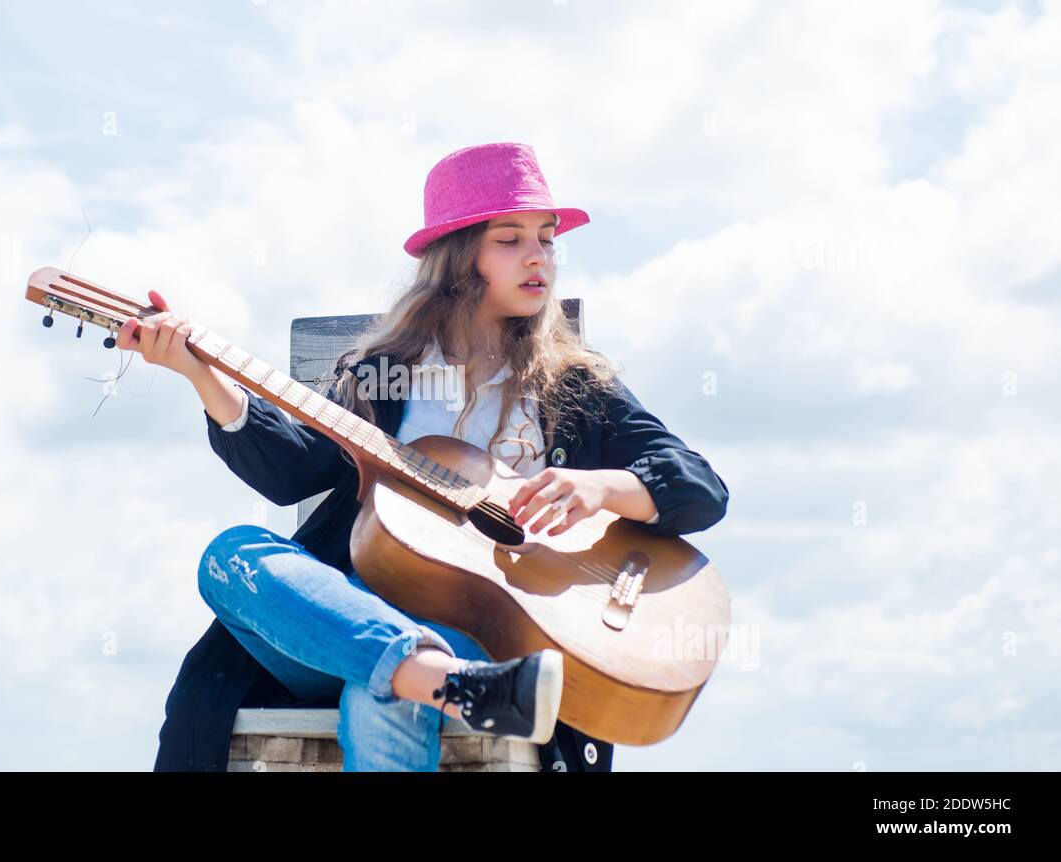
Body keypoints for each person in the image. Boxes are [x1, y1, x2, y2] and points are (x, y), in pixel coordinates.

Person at [127, 142, 730, 771]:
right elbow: (292, 471)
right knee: (232, 555)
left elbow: (701, 486)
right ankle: (436, 675)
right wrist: (200, 375)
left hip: (498, 637)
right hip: (345, 625)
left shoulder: (574, 387)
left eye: (547, 239)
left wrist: (601, 488)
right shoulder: (382, 376)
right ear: (459, 257)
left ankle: (433, 675)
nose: (538, 256)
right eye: (510, 238)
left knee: (383, 696)